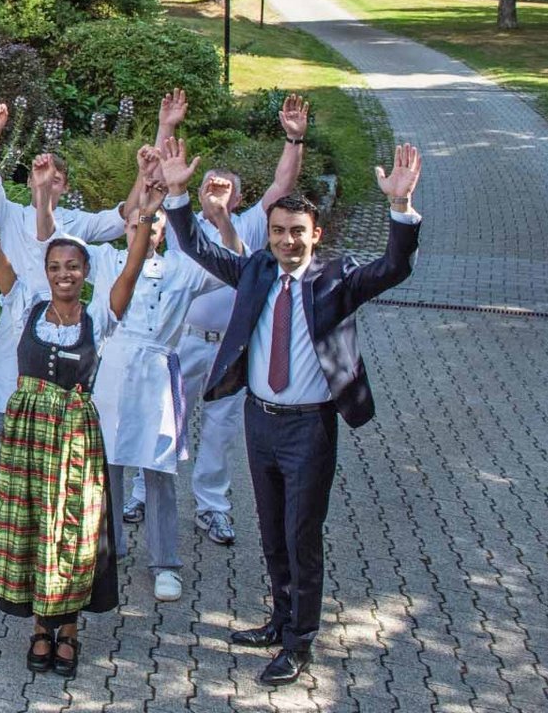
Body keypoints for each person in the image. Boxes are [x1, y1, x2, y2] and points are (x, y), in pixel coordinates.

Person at [158, 137, 422, 686]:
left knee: (303, 534)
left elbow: (394, 267)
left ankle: (300, 642)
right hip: (260, 420)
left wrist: (399, 208)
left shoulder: (338, 278)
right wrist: (179, 194)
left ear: (315, 235)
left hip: (310, 427)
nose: (285, 241)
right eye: (277, 231)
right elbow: (200, 250)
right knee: (273, 530)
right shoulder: (255, 270)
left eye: (296, 232)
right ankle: (280, 621)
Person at [0, 133, 148, 678]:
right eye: (56, 267)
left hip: (75, 438)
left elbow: (132, 270)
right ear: (47, 271)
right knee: (31, 526)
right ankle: (39, 624)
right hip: (26, 436)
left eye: (73, 267)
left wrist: (147, 218)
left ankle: (68, 627)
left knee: (72, 527)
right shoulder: (24, 300)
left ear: (85, 272)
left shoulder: (100, 316)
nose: (64, 274)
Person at [123, 91, 309, 547]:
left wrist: (293, 138)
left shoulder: (247, 225)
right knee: (166, 420)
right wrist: (165, 129)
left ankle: (212, 508)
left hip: (231, 345)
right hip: (183, 340)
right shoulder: (181, 222)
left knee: (223, 430)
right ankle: (142, 492)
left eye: (225, 188)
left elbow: (284, 185)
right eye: (208, 186)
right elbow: (149, 185)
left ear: (242, 196)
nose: (214, 194)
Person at [65, 147, 225, 604]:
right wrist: (140, 178)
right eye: (139, 220)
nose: (145, 228)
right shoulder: (109, 262)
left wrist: (209, 212)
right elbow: (53, 241)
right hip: (113, 369)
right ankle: (107, 549)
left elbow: (231, 264)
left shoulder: (183, 269)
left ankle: (165, 563)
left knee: (158, 471)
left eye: (154, 223)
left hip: (157, 374)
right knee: (109, 466)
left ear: (163, 229)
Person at [0, 103, 127, 521]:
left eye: (55, 179)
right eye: (42, 178)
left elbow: (121, 219)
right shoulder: (13, 215)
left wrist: (148, 185)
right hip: (15, 317)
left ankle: (44, 492)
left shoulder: (78, 223)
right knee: (2, 409)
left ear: (65, 184)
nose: (47, 184)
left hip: (62, 324)